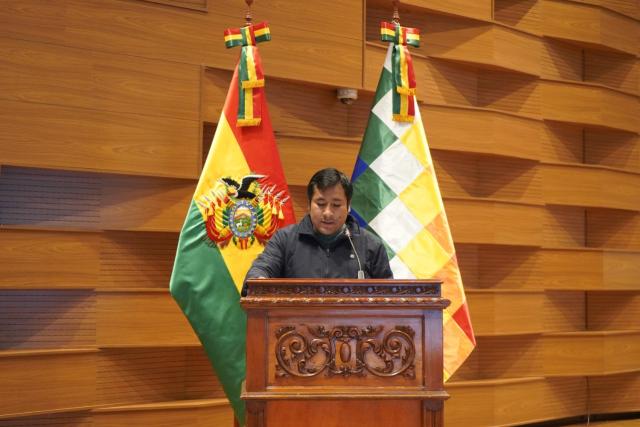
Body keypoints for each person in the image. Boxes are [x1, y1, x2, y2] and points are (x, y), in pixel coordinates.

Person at [242, 168, 392, 295]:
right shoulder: (286, 239)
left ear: (348, 206)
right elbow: (261, 269)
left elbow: (390, 297)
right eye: (320, 204)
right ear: (309, 204)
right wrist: (259, 280)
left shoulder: (370, 245)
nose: (328, 213)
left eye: (336, 205)